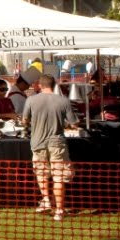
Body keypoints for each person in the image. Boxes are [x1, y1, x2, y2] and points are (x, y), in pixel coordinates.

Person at [21, 74, 78, 222]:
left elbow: (24, 120)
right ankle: (59, 210)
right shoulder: (63, 100)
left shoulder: (31, 100)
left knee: (41, 173)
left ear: (40, 85)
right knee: (58, 177)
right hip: (57, 143)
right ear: (55, 84)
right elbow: (74, 123)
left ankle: (46, 200)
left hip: (37, 142)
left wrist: (32, 122)